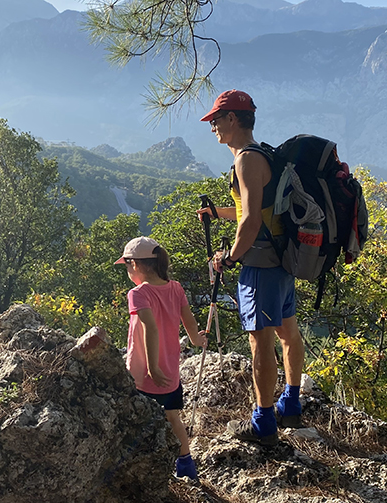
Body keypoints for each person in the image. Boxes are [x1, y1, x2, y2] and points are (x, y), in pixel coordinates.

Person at [196, 89, 305, 446]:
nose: (212, 126)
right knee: (288, 334)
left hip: (260, 265)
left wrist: (230, 257)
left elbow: (250, 224)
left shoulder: (245, 160)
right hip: (282, 261)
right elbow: (252, 209)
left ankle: (263, 423)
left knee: (260, 341)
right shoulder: (264, 155)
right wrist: (217, 213)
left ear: (232, 119)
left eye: (216, 119)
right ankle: (291, 404)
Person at [115, 236, 208, 479]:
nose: (127, 270)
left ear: (134, 265)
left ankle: (138, 468)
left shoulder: (138, 293)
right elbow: (188, 319)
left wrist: (152, 367)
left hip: (144, 371)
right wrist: (197, 340)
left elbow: (150, 327)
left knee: (138, 418)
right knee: (172, 417)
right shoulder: (175, 287)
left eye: (126, 266)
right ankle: (186, 464)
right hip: (170, 371)